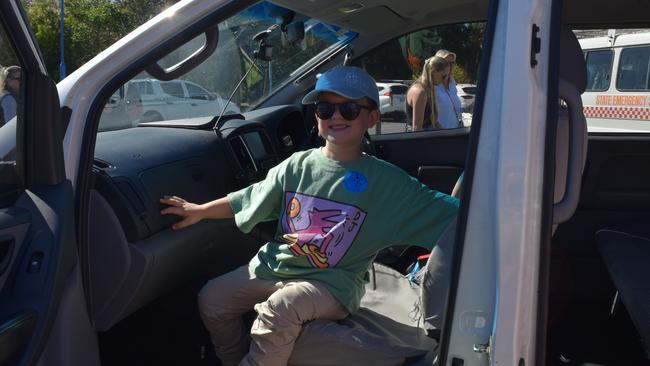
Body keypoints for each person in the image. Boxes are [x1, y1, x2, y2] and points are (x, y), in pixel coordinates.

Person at [160, 66, 459, 366]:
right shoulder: (296, 166)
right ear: (316, 117)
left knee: (281, 307)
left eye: (350, 109)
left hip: (332, 284)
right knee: (212, 299)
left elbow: (451, 214)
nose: (336, 116)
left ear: (372, 118)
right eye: (325, 108)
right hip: (274, 267)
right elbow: (248, 199)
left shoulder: (387, 183)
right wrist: (199, 211)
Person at [405, 56, 449, 131]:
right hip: (420, 137)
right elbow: (416, 128)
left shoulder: (428, 89)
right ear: (433, 71)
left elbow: (432, 121)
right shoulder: (420, 91)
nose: (444, 80)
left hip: (428, 134)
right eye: (443, 76)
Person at [434, 50, 464, 129]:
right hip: (439, 136)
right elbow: (428, 116)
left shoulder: (452, 82)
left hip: (454, 133)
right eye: (446, 63)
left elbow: (452, 108)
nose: (450, 66)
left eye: (452, 63)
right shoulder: (432, 85)